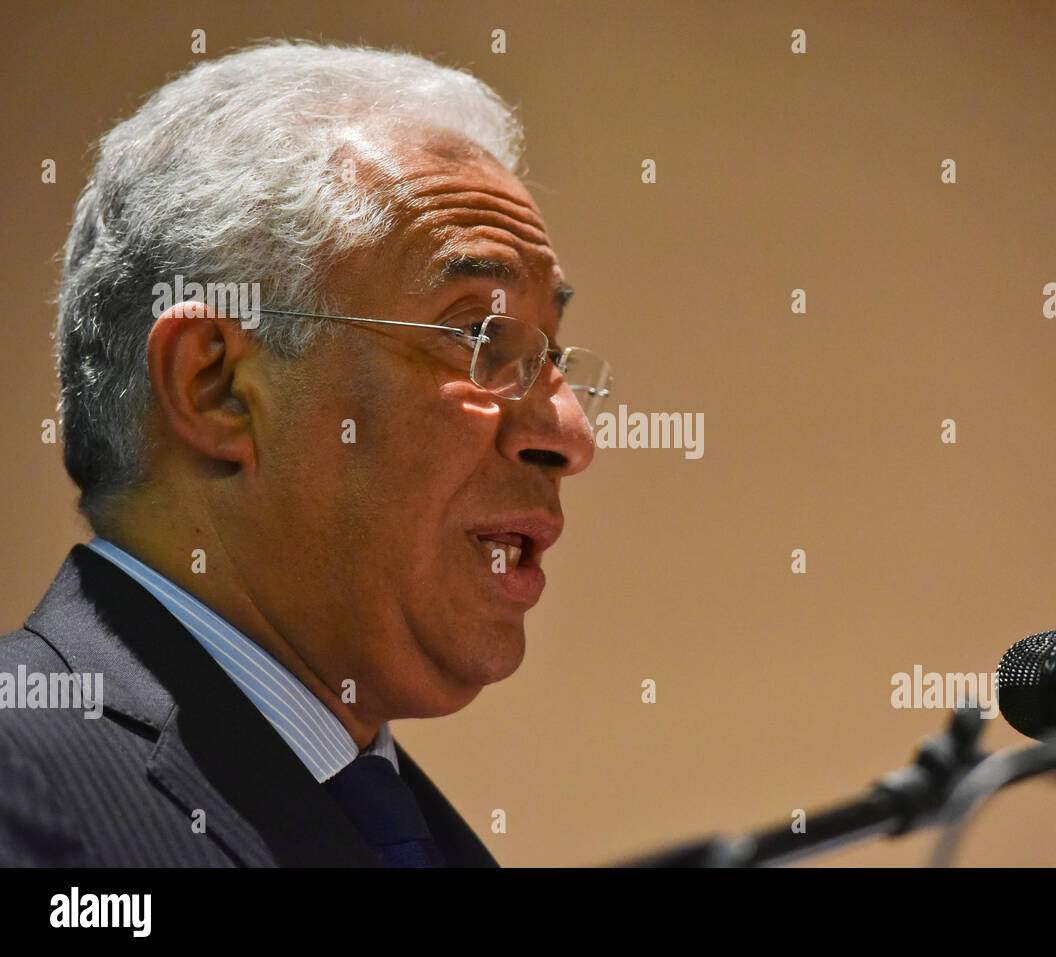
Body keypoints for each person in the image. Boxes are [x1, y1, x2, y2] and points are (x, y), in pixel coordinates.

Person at [0, 39, 609, 866]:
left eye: (553, 357)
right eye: (474, 335)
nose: (570, 434)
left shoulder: (412, 831)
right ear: (216, 386)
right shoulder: (22, 782)